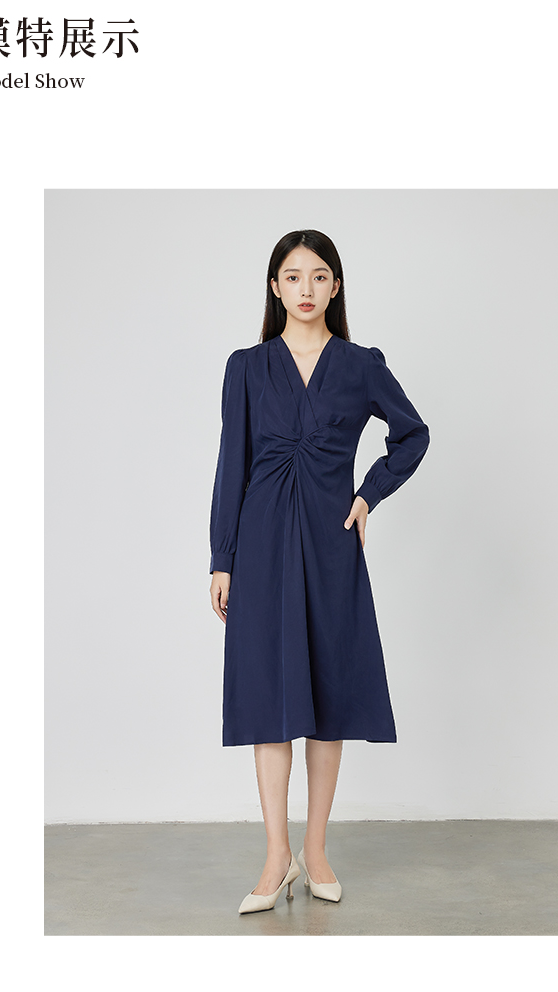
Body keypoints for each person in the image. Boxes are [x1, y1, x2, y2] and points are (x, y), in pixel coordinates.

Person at [209, 230, 430, 915]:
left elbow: (413, 433)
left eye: (318, 275)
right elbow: (231, 465)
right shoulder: (247, 367)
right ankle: (276, 857)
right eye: (292, 276)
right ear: (275, 288)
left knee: (328, 699)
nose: (305, 288)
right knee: (268, 701)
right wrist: (222, 558)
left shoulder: (361, 365)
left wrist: (367, 495)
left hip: (332, 548)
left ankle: (317, 849)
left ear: (335, 286)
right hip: (261, 546)